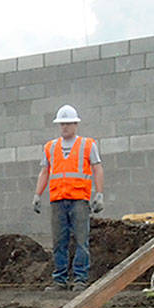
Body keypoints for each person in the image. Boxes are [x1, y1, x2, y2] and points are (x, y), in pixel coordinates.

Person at [31, 104, 104, 291]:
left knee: (81, 241)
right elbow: (44, 172)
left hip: (79, 200)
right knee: (59, 242)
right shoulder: (50, 147)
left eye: (69, 123)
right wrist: (37, 195)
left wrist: (99, 193)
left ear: (76, 124)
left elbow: (97, 168)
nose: (65, 127)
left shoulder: (88, 145)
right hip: (57, 200)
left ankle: (80, 279)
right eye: (62, 124)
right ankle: (60, 280)